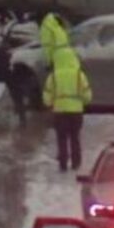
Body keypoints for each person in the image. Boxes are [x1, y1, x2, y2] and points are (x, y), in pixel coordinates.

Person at [43, 44, 92, 172]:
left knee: (62, 138)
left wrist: (50, 104)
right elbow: (87, 95)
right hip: (76, 112)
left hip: (59, 112)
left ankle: (63, 164)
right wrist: (82, 102)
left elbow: (47, 96)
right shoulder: (78, 75)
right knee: (75, 137)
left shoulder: (53, 76)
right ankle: (76, 163)